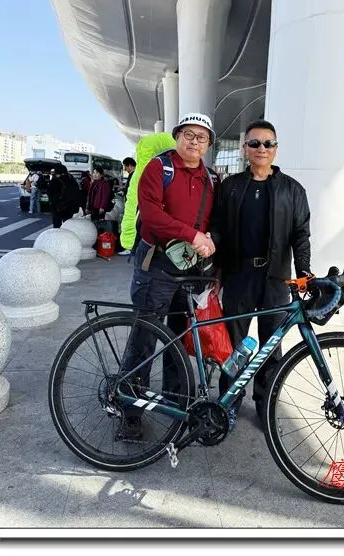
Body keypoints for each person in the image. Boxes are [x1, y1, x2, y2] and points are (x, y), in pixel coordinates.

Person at [117, 113, 218, 442]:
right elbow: (151, 215)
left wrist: (210, 238)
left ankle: (175, 402)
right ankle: (130, 410)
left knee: (178, 336)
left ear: (208, 144)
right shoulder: (159, 168)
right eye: (188, 134)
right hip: (156, 266)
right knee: (145, 337)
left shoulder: (211, 178)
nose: (194, 142)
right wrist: (192, 235)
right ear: (177, 137)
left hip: (189, 270)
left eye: (201, 137)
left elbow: (215, 221)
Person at [210, 119, 312, 430]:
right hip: (238, 276)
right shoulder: (230, 187)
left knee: (272, 345)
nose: (261, 148)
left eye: (268, 143)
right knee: (234, 344)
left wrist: (304, 271)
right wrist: (215, 272)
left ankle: (265, 403)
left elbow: (301, 235)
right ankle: (229, 402)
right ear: (245, 149)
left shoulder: (292, 190)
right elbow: (218, 230)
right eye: (255, 143)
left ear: (276, 148)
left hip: (275, 279)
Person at [119, 138, 175, 257]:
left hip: (143, 233)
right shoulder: (162, 172)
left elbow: (131, 203)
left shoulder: (139, 174)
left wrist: (128, 238)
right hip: (155, 236)